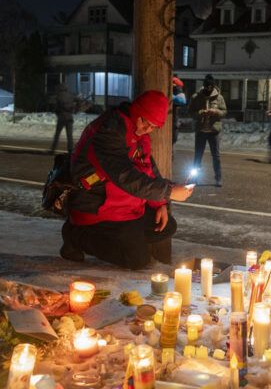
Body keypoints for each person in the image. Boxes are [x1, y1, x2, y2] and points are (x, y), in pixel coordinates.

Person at [60, 90, 194, 269]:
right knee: (137, 260)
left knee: (166, 226)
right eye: (144, 121)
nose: (146, 129)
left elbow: (147, 168)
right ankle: (75, 236)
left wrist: (159, 203)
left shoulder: (139, 135)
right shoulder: (109, 130)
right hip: (96, 204)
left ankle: (126, 240)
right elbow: (124, 175)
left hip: (122, 204)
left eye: (153, 126)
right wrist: (169, 191)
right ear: (135, 110)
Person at [188, 74, 227, 187]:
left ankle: (218, 178)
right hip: (201, 130)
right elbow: (190, 111)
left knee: (216, 155)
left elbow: (224, 112)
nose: (208, 90)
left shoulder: (219, 98)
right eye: (207, 88)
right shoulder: (196, 97)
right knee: (198, 155)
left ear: (213, 87)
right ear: (204, 86)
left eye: (210, 88)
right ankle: (195, 178)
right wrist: (200, 113)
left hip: (214, 131)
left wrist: (216, 112)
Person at [51, 83, 76, 153]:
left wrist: (57, 112)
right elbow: (78, 100)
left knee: (57, 134)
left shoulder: (58, 96)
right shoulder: (71, 95)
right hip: (69, 117)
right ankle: (70, 149)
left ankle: (53, 148)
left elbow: (55, 106)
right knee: (69, 135)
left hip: (62, 117)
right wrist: (75, 109)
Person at [172, 76, 187, 146]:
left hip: (174, 120)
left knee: (173, 140)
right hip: (172, 120)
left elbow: (182, 100)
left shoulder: (177, 90)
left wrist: (171, 97)